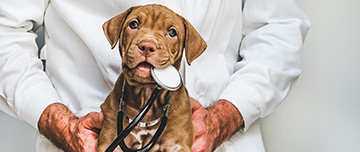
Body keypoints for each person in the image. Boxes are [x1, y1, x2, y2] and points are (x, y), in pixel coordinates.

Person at [0, 0, 310, 152]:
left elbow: (279, 27)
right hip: (88, 141)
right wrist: (61, 124)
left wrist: (222, 119)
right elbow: (5, 29)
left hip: (219, 145)